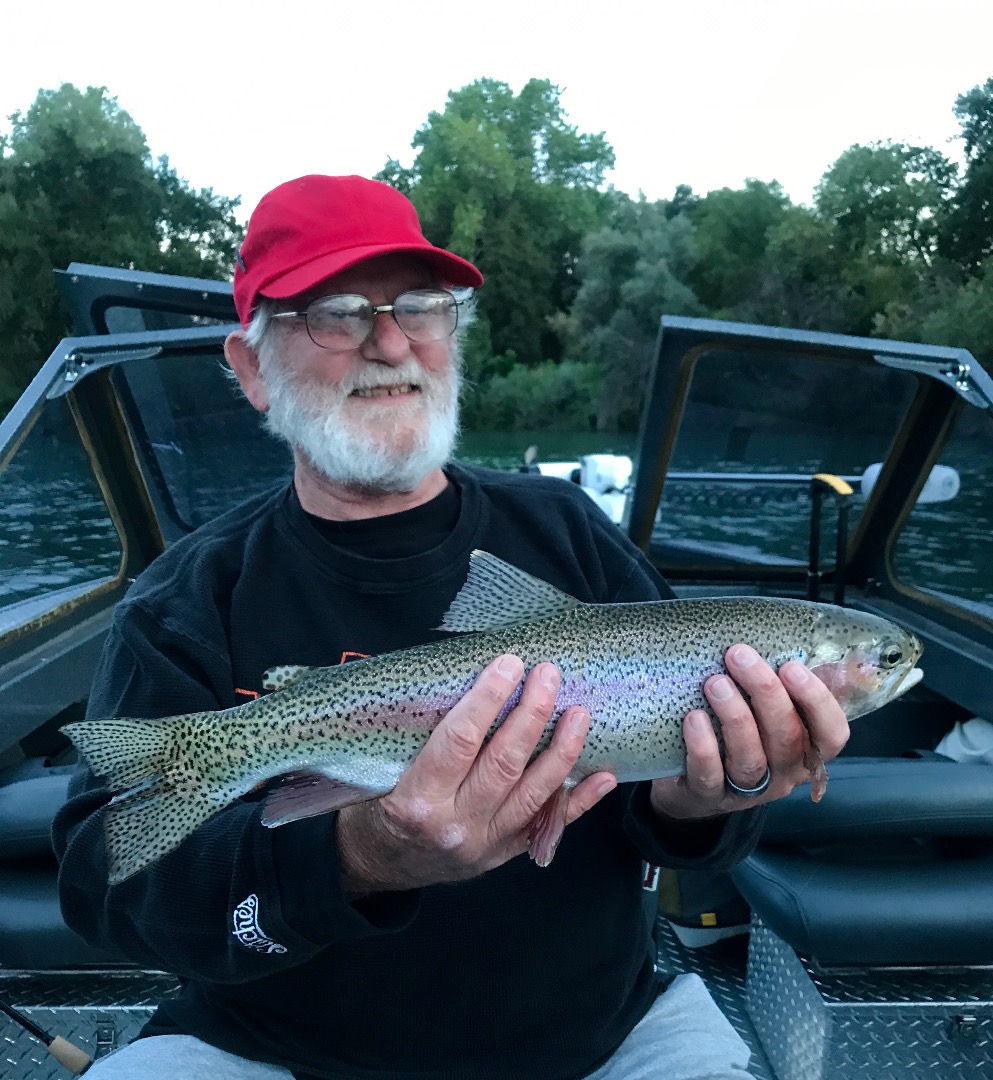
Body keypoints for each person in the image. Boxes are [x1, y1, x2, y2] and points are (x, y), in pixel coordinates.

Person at [54, 174, 850, 1080]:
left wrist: (709, 800)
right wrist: (357, 855)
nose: (389, 342)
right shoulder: (186, 596)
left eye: (421, 307)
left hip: (599, 1045)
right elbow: (106, 881)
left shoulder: (568, 530)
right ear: (249, 368)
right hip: (273, 1053)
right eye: (337, 312)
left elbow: (660, 822)